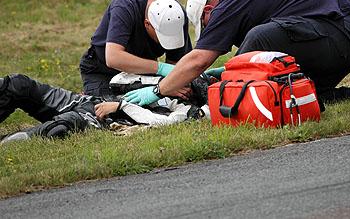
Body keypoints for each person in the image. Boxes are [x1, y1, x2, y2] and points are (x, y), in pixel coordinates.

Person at [123, 0, 350, 108]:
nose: (211, 30)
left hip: (336, 34)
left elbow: (199, 59)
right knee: (286, 92)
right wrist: (229, 70)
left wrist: (158, 90)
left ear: (208, 12)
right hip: (344, 40)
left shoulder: (229, 1)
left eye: (206, 26)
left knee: (258, 38)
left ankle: (228, 91)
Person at [0, 73, 211, 144]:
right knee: (19, 85)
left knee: (61, 128)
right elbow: (117, 80)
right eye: (184, 80)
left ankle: (7, 143)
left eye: (188, 87)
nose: (184, 88)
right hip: (87, 100)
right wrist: (160, 86)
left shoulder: (188, 112)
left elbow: (162, 122)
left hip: (102, 118)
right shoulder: (163, 83)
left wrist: (121, 105)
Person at [79, 0, 192, 98]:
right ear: (147, 24)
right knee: (109, 110)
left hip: (143, 72)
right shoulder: (124, 6)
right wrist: (161, 68)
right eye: (162, 37)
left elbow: (175, 62)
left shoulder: (176, 15)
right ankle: (88, 94)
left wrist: (170, 85)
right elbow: (113, 58)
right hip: (103, 70)